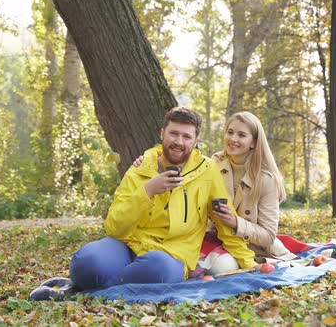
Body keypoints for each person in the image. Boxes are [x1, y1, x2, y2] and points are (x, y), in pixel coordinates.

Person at [29, 107, 255, 301]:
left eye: (187, 137)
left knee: (157, 269)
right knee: (86, 262)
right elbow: (114, 227)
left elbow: (223, 219)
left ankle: (79, 290)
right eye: (173, 134)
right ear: (162, 134)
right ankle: (101, 282)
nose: (179, 142)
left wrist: (249, 264)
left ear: (196, 142)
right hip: (129, 246)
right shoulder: (141, 167)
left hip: (171, 255)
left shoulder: (208, 171)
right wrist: (147, 191)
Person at [134, 111, 296, 275]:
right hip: (215, 240)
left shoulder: (265, 179)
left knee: (219, 268)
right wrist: (148, 160)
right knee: (184, 263)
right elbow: (183, 161)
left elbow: (268, 235)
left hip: (252, 248)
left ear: (253, 142)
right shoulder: (215, 163)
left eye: (241, 135)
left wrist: (236, 223)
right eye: (230, 132)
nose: (233, 139)